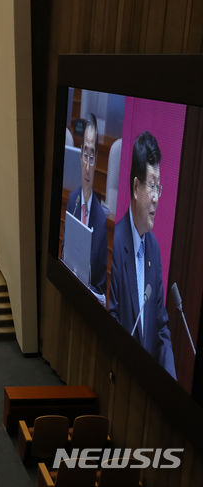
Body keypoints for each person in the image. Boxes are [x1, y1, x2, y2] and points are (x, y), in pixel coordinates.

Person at [109, 131, 176, 379]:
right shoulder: (116, 242)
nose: (157, 198)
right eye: (152, 185)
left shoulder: (154, 250)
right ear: (136, 188)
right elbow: (111, 318)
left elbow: (160, 327)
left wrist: (172, 383)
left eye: (159, 186)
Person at [63, 115, 108, 299]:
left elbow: (101, 289)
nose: (88, 166)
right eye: (85, 155)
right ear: (80, 154)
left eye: (92, 157)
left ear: (96, 160)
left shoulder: (101, 220)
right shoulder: (72, 200)